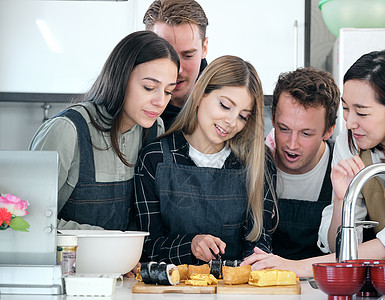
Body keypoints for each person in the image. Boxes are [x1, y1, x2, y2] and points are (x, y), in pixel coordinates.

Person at [242, 50, 385, 277]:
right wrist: (342, 202)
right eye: (346, 109)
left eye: (361, 112)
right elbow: (340, 248)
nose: (350, 123)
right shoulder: (351, 145)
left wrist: (299, 267)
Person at [29, 30, 180, 231]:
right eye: (149, 87)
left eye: (169, 91)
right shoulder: (67, 130)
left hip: (123, 261)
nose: (160, 101)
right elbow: (26, 218)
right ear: (120, 78)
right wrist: (106, 240)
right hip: (67, 260)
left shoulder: (154, 129)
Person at [134, 55, 277, 265]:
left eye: (243, 116)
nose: (231, 122)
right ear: (200, 93)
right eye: (225, 106)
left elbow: (259, 243)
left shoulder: (258, 162)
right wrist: (190, 245)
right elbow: (148, 247)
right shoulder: (154, 158)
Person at [264, 67, 339, 260]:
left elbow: (341, 251)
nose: (291, 144)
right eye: (284, 128)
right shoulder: (256, 162)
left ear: (328, 131)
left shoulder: (341, 166)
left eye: (306, 133)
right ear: (273, 119)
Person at [143, 0, 209, 129]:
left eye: (188, 56)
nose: (177, 70)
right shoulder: (127, 105)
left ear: (204, 49)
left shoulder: (227, 109)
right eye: (164, 54)